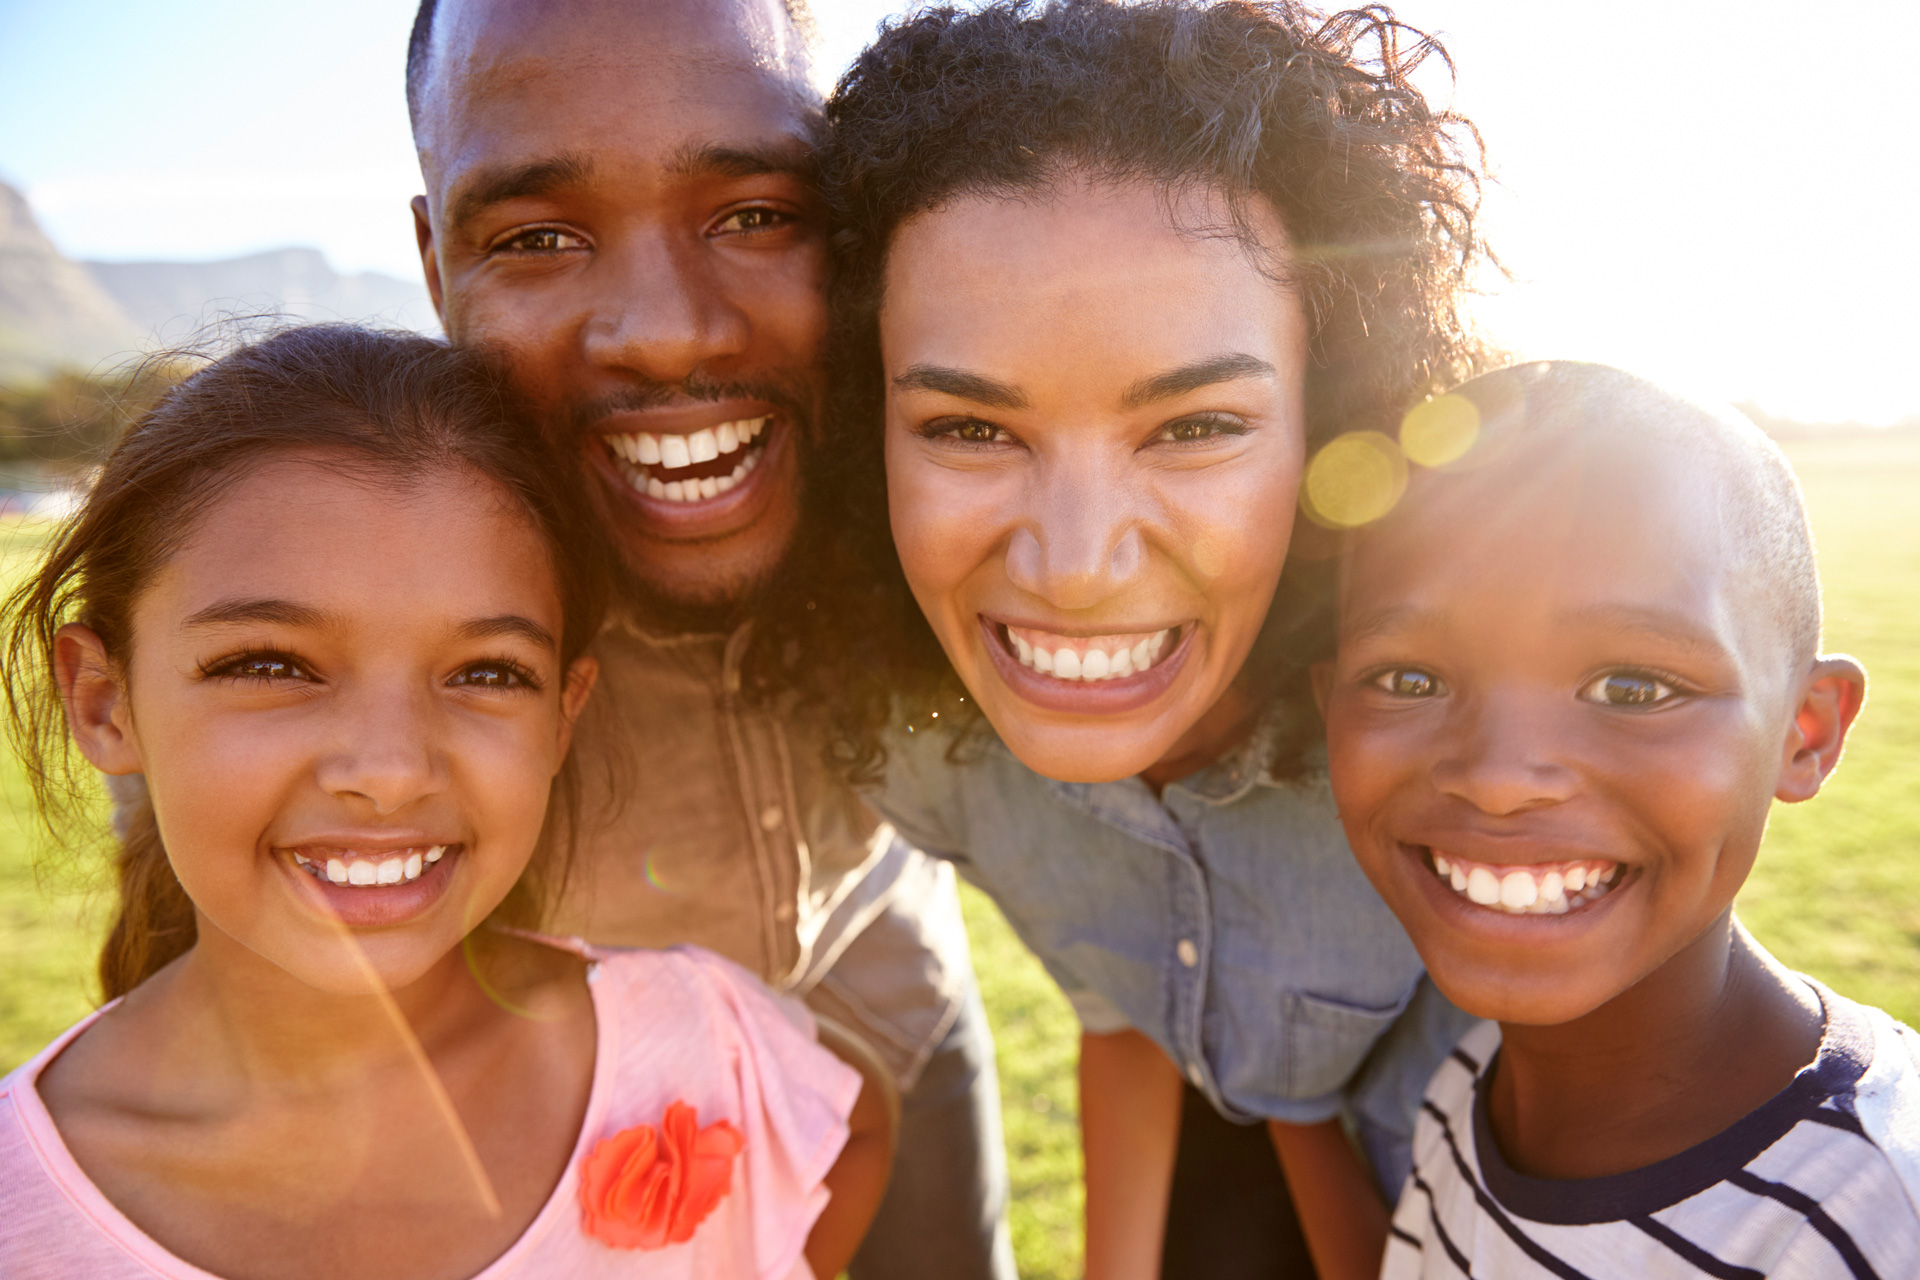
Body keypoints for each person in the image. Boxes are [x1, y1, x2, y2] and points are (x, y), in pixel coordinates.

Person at [809, 2, 1490, 1275]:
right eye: (969, 429)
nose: (1074, 566)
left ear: (1335, 426)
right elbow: (1125, 1001)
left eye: (1192, 428)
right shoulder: (941, 760)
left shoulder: (1461, 760)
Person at [0, 326, 894, 1279]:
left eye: (487, 672)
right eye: (271, 664)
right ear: (104, 700)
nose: (391, 771)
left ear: (562, 715)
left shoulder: (712, 1059)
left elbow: (856, 1133)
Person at [402, 2, 1013, 1276]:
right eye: (539, 237)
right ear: (432, 262)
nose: (669, 328)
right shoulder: (371, 573)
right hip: (577, 1119)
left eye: (753, 215)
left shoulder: (946, 456)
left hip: (898, 1011)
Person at [1316, 361, 1920, 1277]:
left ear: (1806, 733)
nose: (1499, 780)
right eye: (1410, 680)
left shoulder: (1878, 1223)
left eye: (1633, 688)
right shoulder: (1464, 1091)